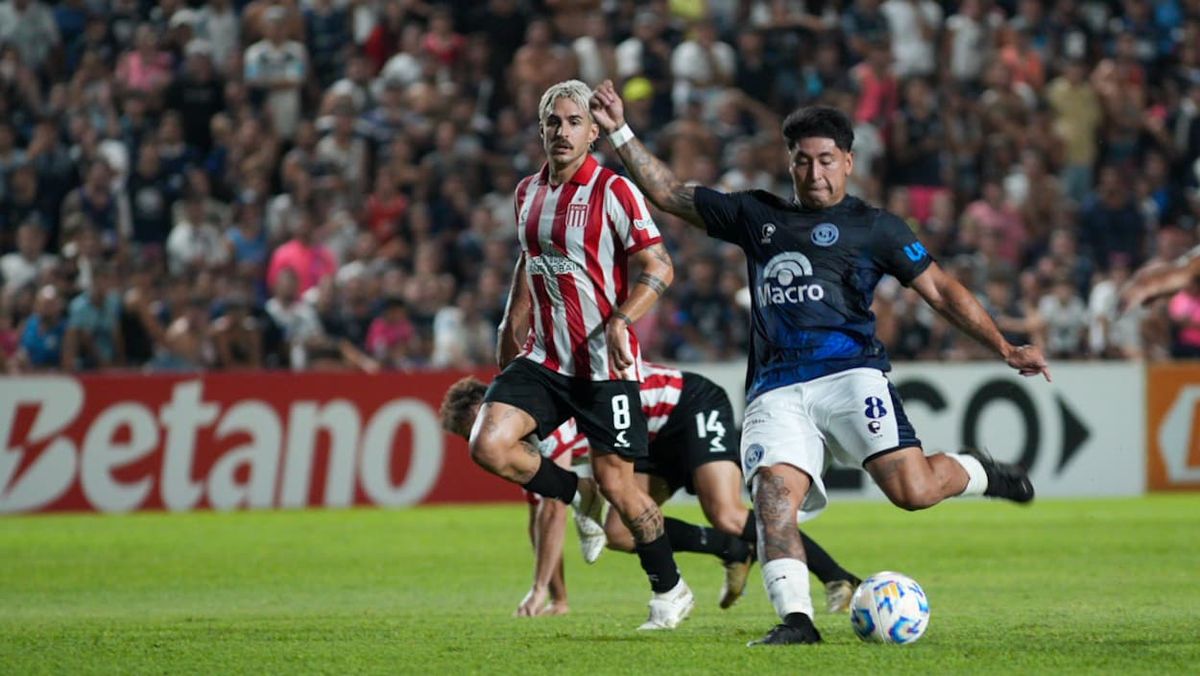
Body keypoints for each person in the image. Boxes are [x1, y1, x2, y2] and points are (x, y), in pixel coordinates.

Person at [589, 82, 1050, 646]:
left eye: (826, 161)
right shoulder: (755, 214)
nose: (814, 174)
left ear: (849, 162)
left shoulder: (875, 227)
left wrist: (1003, 345)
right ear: (789, 163)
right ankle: (797, 623)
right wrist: (618, 129)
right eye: (802, 162)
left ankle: (977, 471)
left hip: (851, 375)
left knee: (913, 490)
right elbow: (666, 192)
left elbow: (941, 291)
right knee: (772, 500)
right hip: (775, 388)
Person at [467, 80, 692, 630]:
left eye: (573, 122)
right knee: (487, 444)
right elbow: (529, 262)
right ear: (541, 130)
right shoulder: (527, 194)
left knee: (623, 489)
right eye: (553, 122)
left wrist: (622, 319)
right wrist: (509, 323)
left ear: (594, 132)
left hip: (604, 366)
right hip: (544, 360)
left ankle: (672, 590)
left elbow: (660, 265)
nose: (562, 132)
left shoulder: (614, 191)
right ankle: (578, 492)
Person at [441, 367, 863, 619]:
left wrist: (538, 591)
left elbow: (555, 512)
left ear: (492, 404)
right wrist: (559, 597)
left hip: (687, 407)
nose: (482, 437)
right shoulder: (524, 442)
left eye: (479, 425)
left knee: (728, 514)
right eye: (470, 437)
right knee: (621, 533)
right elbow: (542, 516)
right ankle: (734, 551)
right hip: (646, 443)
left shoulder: (542, 414)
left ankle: (838, 575)